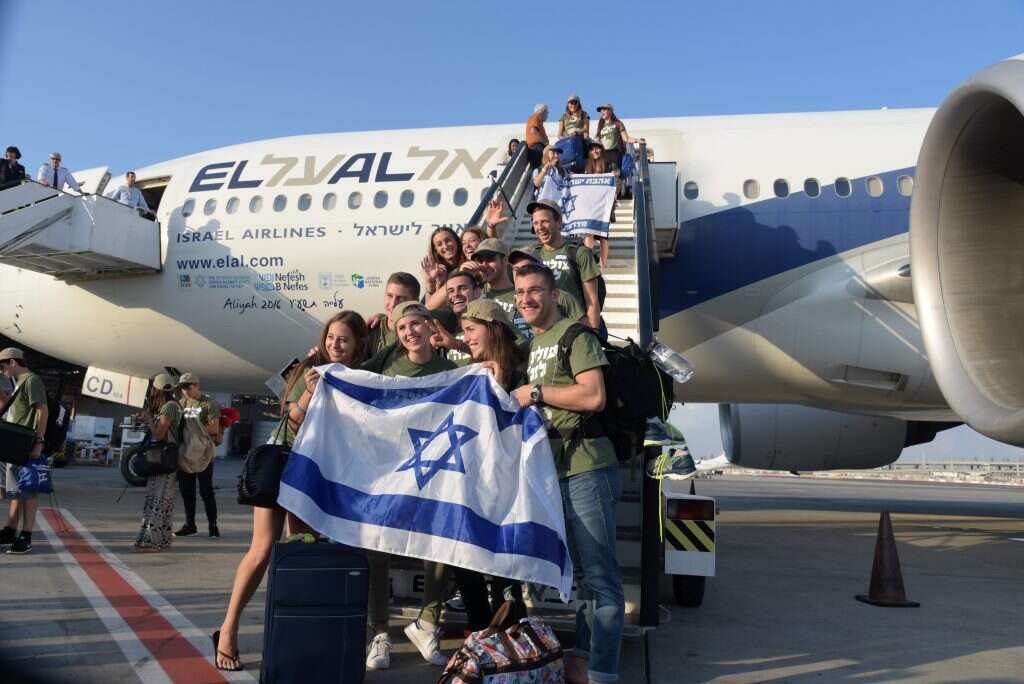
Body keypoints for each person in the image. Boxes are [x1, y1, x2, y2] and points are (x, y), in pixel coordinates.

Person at [214, 311, 368, 672]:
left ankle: (295, 634)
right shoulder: (310, 371)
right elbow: (290, 421)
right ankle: (228, 628)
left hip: (317, 474)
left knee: (302, 553)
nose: (335, 345)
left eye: (343, 339)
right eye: (331, 338)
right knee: (262, 549)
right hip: (285, 465)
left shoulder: (361, 377)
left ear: (358, 344)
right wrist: (310, 393)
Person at [510, 263, 624, 683]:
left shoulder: (576, 335)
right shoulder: (534, 343)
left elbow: (593, 396)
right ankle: (588, 663)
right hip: (557, 471)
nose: (526, 298)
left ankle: (604, 674)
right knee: (583, 580)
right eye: (520, 292)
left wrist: (537, 393)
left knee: (601, 578)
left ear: (555, 294)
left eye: (535, 290)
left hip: (587, 467)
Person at [362, 300, 456, 670]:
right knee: (378, 549)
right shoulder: (387, 365)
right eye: (402, 328)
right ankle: (380, 631)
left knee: (437, 547)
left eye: (415, 325)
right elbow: (351, 381)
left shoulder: (450, 369)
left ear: (429, 326)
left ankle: (428, 622)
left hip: (433, 472)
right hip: (389, 472)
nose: (409, 333)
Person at [448, 298, 527, 631]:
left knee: (504, 574)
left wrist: (498, 386)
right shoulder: (467, 373)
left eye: (470, 329)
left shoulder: (522, 372)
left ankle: (511, 642)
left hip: (508, 493)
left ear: (493, 329)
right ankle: (481, 637)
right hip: (471, 487)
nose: (466, 337)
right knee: (464, 564)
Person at [472, 238, 583, 339]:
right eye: (516, 267)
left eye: (527, 268)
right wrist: (467, 279)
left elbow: (583, 331)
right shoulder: (478, 296)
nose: (521, 272)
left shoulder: (558, 296)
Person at [521, 198, 602, 331]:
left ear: (558, 222)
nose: (539, 228)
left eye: (545, 222)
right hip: (543, 332)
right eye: (535, 223)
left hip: (573, 330)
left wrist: (593, 336)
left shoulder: (580, 253)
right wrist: (492, 228)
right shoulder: (532, 256)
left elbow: (592, 302)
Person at [0, 348, 48, 555]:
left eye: (2, 367)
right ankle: (10, 530)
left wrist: (39, 441)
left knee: (28, 491)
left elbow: (42, 410)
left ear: (12, 362)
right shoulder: (20, 382)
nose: (2, 372)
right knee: (17, 492)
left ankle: (26, 536)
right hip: (15, 445)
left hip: (26, 445)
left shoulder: (31, 380)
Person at [134, 373, 181, 553]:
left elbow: (159, 435)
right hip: (168, 460)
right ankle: (162, 538)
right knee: (164, 501)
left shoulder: (168, 407)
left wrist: (148, 420)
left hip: (162, 460)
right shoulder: (174, 405)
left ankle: (150, 541)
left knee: (157, 499)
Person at [174, 373, 221, 539]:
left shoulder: (209, 403)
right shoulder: (180, 404)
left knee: (206, 491)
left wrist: (197, 428)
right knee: (187, 492)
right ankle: (190, 524)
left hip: (203, 454)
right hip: (185, 454)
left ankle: (213, 526)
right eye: (182, 388)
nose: (185, 391)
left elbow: (214, 428)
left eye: (188, 387)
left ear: (196, 386)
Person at [430, 269, 483, 366]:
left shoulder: (489, 322)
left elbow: (498, 355)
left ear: (477, 292)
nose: (455, 294)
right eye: (451, 291)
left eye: (462, 288)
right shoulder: (444, 325)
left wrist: (456, 345)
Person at [579, 141, 617, 268]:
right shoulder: (587, 167)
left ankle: (602, 265)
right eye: (592, 149)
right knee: (588, 232)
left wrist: (616, 176)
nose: (594, 151)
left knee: (603, 236)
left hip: (605, 205)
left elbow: (617, 182)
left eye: (597, 148)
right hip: (591, 205)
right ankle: (588, 262)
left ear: (602, 149)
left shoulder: (610, 165)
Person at [366, 272, 421, 356]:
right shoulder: (371, 331)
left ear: (415, 301)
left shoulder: (423, 333)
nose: (392, 304)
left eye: (400, 298)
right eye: (389, 296)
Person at [422, 226, 465, 310]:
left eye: (448, 241)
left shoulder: (467, 264)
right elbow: (430, 310)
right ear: (436, 250)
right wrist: (432, 282)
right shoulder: (436, 272)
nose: (445, 246)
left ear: (456, 241)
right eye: (439, 244)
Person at [595, 105, 635, 189]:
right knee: (604, 175)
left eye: (604, 109)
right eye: (601, 110)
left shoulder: (617, 123)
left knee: (615, 174)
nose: (602, 112)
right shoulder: (601, 125)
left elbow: (626, 138)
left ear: (610, 111)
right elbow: (598, 141)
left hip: (615, 153)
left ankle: (616, 195)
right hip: (604, 154)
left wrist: (637, 140)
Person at [524, 104, 550, 170]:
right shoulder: (535, 117)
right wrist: (544, 142)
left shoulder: (537, 120)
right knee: (537, 169)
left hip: (536, 147)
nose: (547, 115)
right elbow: (533, 131)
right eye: (547, 113)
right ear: (542, 111)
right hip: (536, 147)